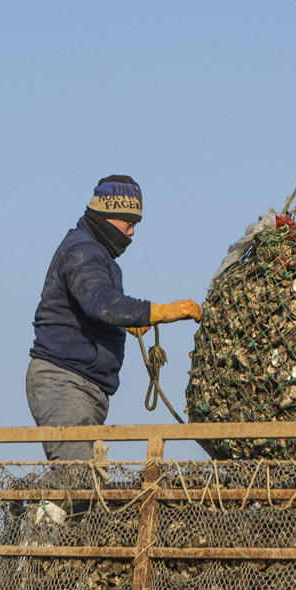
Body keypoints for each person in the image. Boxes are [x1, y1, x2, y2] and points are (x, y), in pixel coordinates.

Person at [26, 174, 202, 510]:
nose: (133, 232)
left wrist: (130, 325)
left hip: (85, 387)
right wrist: (161, 312)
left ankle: (59, 555)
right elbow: (101, 303)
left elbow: (95, 310)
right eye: (129, 222)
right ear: (109, 215)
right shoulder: (84, 252)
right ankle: (39, 555)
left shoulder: (99, 256)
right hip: (64, 383)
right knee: (77, 485)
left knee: (88, 486)